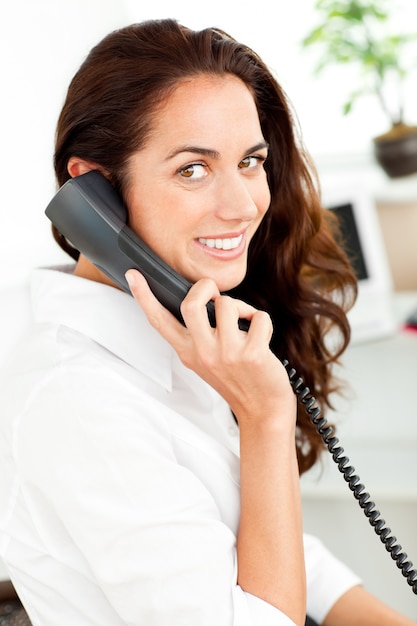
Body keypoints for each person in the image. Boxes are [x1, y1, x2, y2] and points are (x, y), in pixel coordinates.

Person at [0, 19, 414, 626]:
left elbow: (268, 544)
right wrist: (267, 419)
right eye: (193, 168)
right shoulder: (79, 399)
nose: (244, 204)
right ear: (94, 193)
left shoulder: (173, 329)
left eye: (250, 161)